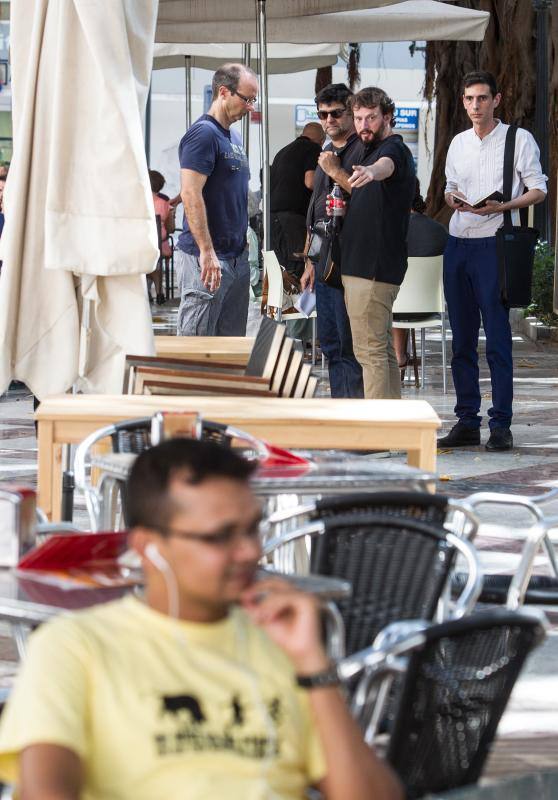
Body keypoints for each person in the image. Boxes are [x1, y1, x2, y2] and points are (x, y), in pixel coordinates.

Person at [0, 439, 403, 800]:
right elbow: (46, 789)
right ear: (148, 548)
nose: (248, 552)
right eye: (219, 536)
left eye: (252, 529)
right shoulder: (75, 645)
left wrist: (314, 666)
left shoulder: (284, 645)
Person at [438, 71, 547, 451]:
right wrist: (452, 198)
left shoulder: (518, 139)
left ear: (496, 100)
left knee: (498, 339)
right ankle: (467, 420)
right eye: (469, 99)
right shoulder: (457, 142)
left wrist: (504, 206)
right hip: (458, 242)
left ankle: (501, 424)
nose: (474, 106)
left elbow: (538, 189)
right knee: (462, 340)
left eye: (482, 98)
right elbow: (450, 186)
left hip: (495, 244)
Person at [340, 87, 416, 400]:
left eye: (371, 117)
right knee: (381, 351)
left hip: (371, 270)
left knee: (369, 353)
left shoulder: (393, 149)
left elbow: (385, 166)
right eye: (358, 118)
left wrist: (372, 171)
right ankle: (392, 426)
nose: (363, 125)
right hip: (368, 267)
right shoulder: (368, 148)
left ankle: (376, 436)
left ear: (387, 116)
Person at [177, 63, 256, 337]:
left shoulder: (233, 137)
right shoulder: (203, 134)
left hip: (235, 258)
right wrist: (206, 251)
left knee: (228, 351)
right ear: (224, 92)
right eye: (247, 99)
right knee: (196, 351)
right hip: (209, 258)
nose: (250, 108)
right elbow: (190, 193)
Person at [300, 83, 364, 399]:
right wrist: (310, 259)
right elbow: (315, 209)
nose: (329, 120)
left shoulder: (362, 150)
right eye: (323, 114)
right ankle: (342, 411)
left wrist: (336, 171)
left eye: (336, 113)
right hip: (324, 256)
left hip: (351, 256)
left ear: (351, 112)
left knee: (347, 342)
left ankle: (355, 419)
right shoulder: (327, 151)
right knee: (330, 341)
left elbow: (370, 196)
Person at [393, 179, 448, 367]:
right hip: (429, 308)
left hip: (393, 308)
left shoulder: (388, 230)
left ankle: (397, 354)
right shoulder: (439, 231)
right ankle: (401, 353)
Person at [270, 123, 325, 279]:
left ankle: (281, 304)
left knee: (279, 274)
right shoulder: (313, 148)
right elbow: (310, 181)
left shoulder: (282, 151)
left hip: (272, 219)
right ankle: (295, 304)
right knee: (295, 273)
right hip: (292, 221)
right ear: (322, 140)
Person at [149, 169, 173, 306]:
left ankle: (147, 290)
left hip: (140, 245)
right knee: (157, 258)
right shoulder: (164, 204)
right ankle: (159, 292)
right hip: (160, 246)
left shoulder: (139, 202)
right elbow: (171, 229)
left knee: (150, 256)